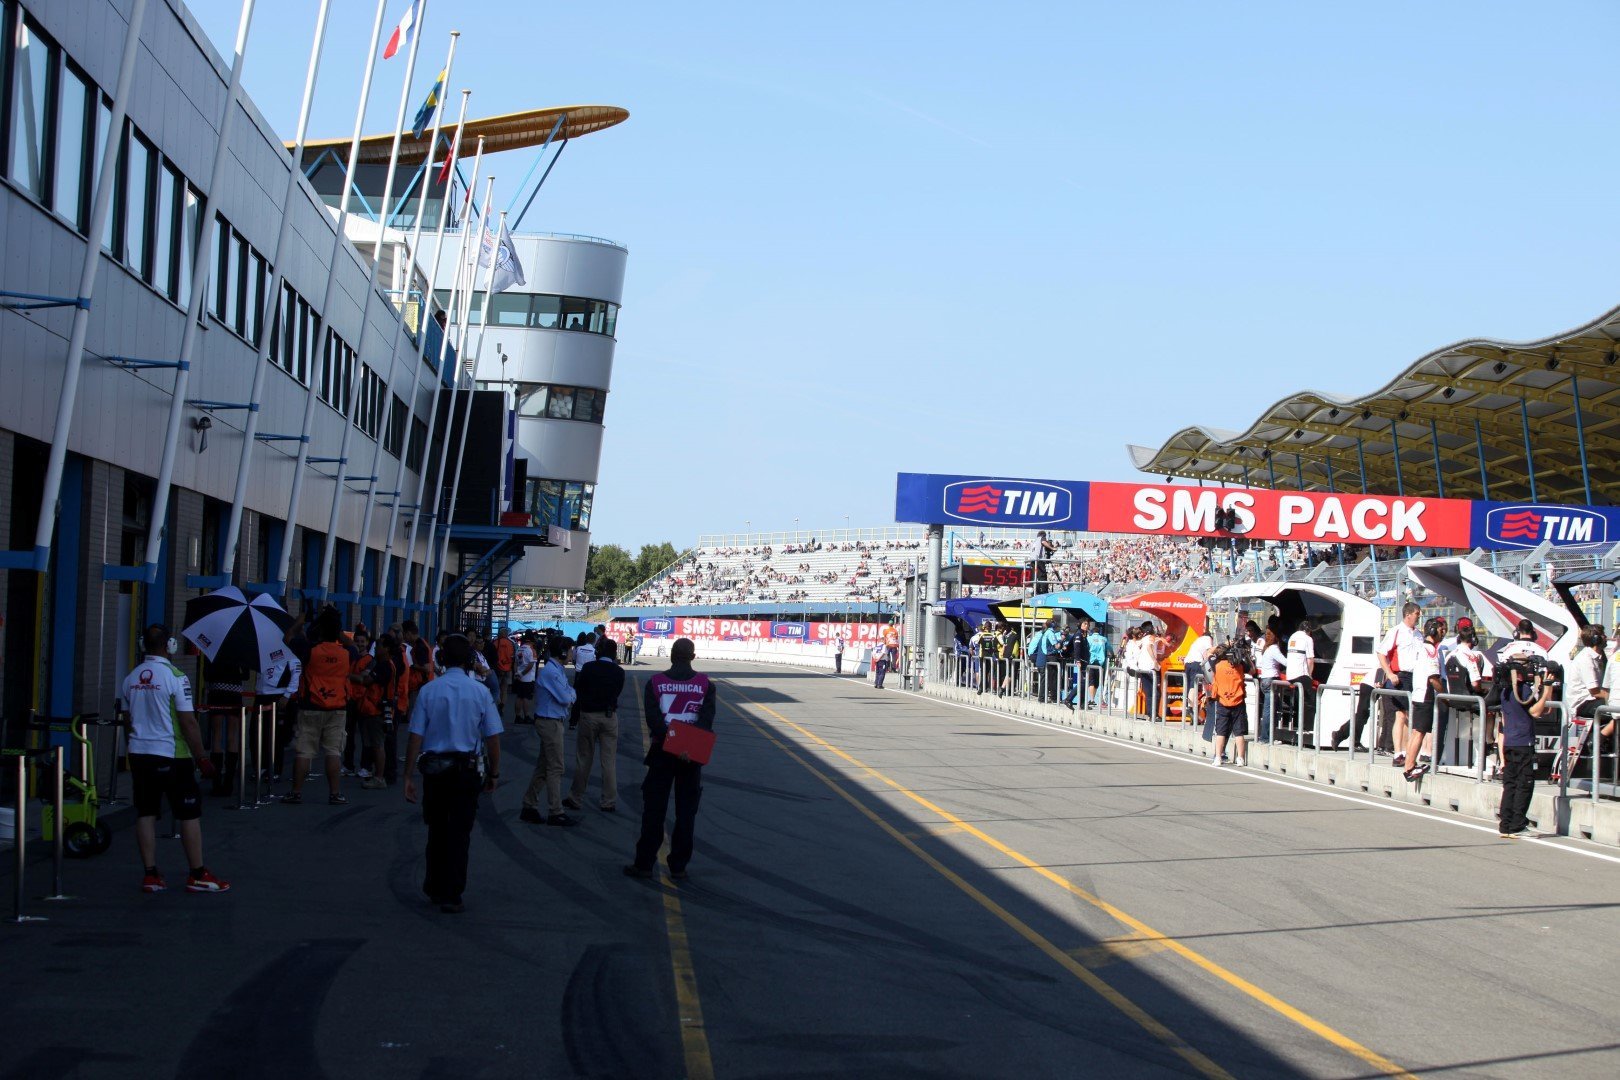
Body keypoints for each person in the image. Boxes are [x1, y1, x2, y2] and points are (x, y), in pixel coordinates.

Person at [121, 624, 230, 893]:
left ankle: (150, 874)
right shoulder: (176, 676)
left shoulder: (130, 678)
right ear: (170, 646)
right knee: (188, 813)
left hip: (139, 753)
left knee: (146, 812)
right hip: (172, 754)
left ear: (142, 644)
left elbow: (127, 720)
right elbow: (188, 722)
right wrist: (202, 757)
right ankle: (197, 873)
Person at [402, 633, 503, 913]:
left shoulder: (429, 690)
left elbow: (415, 736)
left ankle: (434, 886)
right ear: (470, 660)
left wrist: (408, 775)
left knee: (436, 829)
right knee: (460, 833)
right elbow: (493, 738)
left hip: (435, 770)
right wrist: (494, 773)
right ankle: (453, 892)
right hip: (466, 770)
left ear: (442, 659)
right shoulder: (480, 692)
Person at [625, 638, 716, 882]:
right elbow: (705, 722)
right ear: (693, 656)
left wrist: (673, 744)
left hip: (662, 753)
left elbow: (654, 721)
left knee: (654, 810)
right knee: (686, 813)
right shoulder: (706, 684)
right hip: (690, 756)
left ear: (671, 656)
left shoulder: (655, 682)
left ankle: (644, 864)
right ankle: (678, 866)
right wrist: (686, 747)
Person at [286, 611, 352, 805]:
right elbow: (352, 645)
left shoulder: (310, 650)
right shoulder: (345, 653)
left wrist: (299, 622)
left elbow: (288, 638)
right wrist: (337, 629)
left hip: (311, 706)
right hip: (338, 707)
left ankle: (296, 792)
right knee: (333, 751)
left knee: (304, 750)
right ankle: (335, 793)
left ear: (320, 630)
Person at [519, 636, 578, 826]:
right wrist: (570, 695)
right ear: (562, 651)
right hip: (550, 722)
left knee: (544, 766)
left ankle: (529, 804)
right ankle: (555, 811)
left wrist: (570, 695)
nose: (571, 653)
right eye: (569, 650)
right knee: (556, 767)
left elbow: (570, 692)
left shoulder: (556, 670)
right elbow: (566, 697)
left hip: (551, 721)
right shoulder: (552, 672)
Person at [564, 637, 627, 812]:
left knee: (584, 758)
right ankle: (608, 801)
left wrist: (574, 718)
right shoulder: (619, 672)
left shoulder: (589, 668)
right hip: (609, 716)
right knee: (608, 761)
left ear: (598, 652)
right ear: (614, 654)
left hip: (589, 715)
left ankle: (575, 798)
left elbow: (579, 692)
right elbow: (617, 692)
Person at [1498, 656, 1555, 837]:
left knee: (1510, 784)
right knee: (1524, 783)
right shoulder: (1521, 690)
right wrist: (1546, 690)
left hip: (1510, 742)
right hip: (1523, 743)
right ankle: (1518, 825)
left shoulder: (1505, 691)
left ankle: (1506, 824)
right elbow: (1536, 711)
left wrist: (1546, 688)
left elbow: (1544, 708)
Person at [1401, 617, 1446, 782]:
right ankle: (1410, 768)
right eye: (1441, 631)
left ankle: (1409, 764)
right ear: (1434, 631)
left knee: (1415, 732)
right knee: (1419, 733)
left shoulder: (1420, 647)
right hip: (1426, 695)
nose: (1443, 634)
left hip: (1417, 693)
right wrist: (1445, 696)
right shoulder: (1431, 650)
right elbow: (1434, 679)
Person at [1378, 603, 1422, 766]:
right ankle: (1398, 752)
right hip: (1400, 676)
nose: (1419, 616)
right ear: (1408, 614)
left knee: (1409, 716)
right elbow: (1381, 652)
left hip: (1414, 677)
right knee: (1400, 715)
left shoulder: (1418, 634)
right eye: (1417, 613)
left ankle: (1406, 751)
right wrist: (1390, 673)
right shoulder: (1396, 631)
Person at [349, 629, 394, 790]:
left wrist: (350, 676)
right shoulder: (382, 664)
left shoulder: (385, 666)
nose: (376, 648)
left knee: (377, 744)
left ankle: (379, 777)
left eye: (379, 645)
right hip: (371, 708)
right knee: (373, 744)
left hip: (377, 709)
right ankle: (377, 774)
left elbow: (366, 680)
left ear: (386, 648)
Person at [1209, 644, 1248, 768]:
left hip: (1222, 700)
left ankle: (1218, 757)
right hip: (1238, 700)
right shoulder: (1239, 666)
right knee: (1239, 732)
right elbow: (1251, 668)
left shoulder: (1217, 666)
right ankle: (1240, 758)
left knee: (1220, 731)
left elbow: (1209, 654)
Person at [1182, 625, 1214, 722]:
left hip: (1188, 663)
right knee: (1194, 686)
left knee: (1190, 685)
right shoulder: (1208, 639)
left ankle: (1190, 708)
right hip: (1196, 663)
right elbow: (1208, 654)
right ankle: (1191, 708)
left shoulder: (1198, 640)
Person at [511, 632, 537, 725]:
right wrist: (522, 674)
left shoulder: (519, 649)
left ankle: (517, 716)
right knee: (527, 698)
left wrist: (517, 673)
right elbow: (531, 665)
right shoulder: (532, 650)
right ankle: (527, 716)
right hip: (528, 678)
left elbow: (515, 663)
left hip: (519, 677)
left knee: (519, 697)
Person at [493, 626, 515, 710]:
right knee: (504, 689)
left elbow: (493, 655)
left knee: (496, 688)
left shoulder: (495, 642)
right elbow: (513, 657)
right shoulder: (511, 643)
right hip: (508, 669)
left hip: (498, 669)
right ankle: (502, 706)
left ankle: (497, 705)